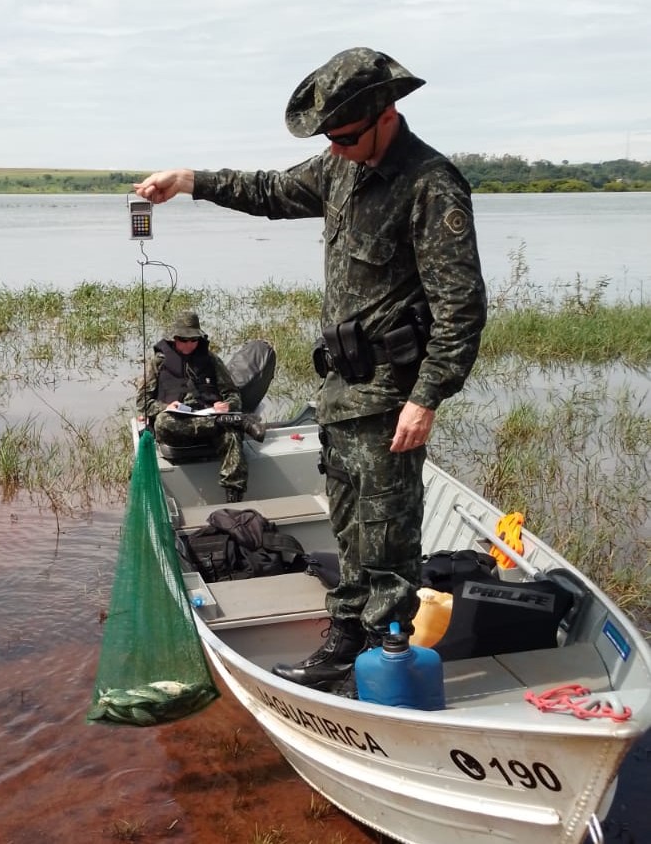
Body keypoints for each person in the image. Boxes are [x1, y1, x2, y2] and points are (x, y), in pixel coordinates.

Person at [134, 48, 487, 694]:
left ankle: (390, 661)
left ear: (387, 115)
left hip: (390, 398)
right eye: (329, 138)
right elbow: (267, 191)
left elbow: (461, 308)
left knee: (389, 539)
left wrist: (428, 396)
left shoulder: (430, 185)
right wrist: (189, 181)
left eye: (346, 136)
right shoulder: (338, 170)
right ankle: (346, 637)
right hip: (340, 396)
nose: (337, 148)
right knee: (350, 525)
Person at [138, 311, 266, 504]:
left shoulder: (211, 360)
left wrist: (227, 405)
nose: (189, 345)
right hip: (178, 425)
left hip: (209, 418)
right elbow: (142, 403)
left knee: (231, 434)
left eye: (194, 340)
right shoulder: (158, 362)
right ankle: (233, 421)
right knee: (164, 422)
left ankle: (234, 496)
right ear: (174, 338)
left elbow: (233, 394)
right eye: (183, 339)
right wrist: (165, 406)